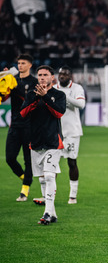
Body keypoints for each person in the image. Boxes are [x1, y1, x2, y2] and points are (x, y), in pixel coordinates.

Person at [20, 66, 66, 224]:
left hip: (53, 142)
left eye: (45, 75)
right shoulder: (31, 94)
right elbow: (23, 113)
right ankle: (52, 214)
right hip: (36, 142)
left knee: (49, 175)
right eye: (39, 75)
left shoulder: (59, 95)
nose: (42, 77)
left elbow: (59, 112)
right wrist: (36, 97)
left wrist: (45, 97)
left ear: (52, 77)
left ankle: (46, 212)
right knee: (41, 179)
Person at [4, 54, 37, 201]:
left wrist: (15, 87)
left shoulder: (34, 82)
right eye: (18, 63)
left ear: (30, 65)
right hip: (15, 124)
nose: (20, 65)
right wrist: (4, 79)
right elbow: (3, 96)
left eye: (23, 63)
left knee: (28, 159)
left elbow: (30, 101)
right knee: (10, 158)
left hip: (29, 125)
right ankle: (25, 177)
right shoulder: (13, 80)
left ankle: (25, 189)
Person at [53, 66, 85, 205]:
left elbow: (81, 104)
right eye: (60, 74)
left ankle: (73, 195)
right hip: (55, 131)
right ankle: (50, 194)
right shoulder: (53, 88)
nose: (62, 76)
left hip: (72, 131)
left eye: (65, 74)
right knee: (52, 164)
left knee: (71, 162)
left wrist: (65, 97)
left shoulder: (77, 88)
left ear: (70, 76)